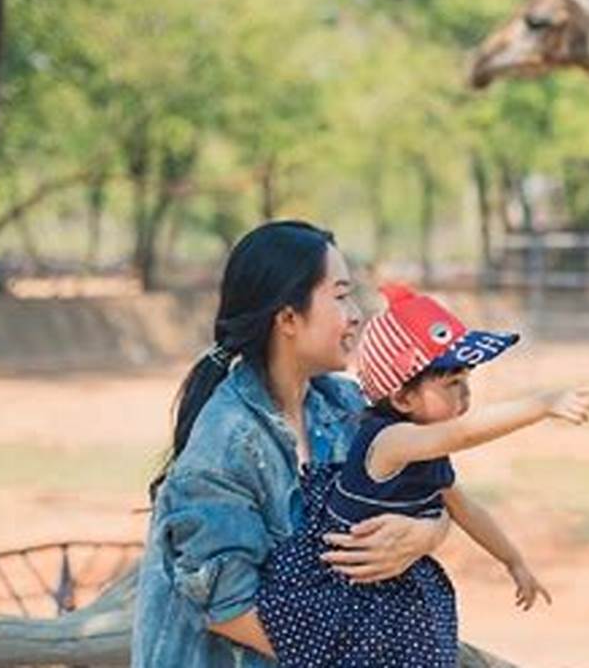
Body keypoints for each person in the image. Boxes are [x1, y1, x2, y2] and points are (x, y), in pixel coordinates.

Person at [132, 221, 450, 667]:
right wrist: (368, 655)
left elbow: (429, 496)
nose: (357, 314)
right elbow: (231, 611)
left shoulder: (344, 407)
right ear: (287, 319)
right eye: (340, 296)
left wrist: (423, 535)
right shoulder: (227, 443)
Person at [255, 282, 589, 667]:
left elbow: (465, 509)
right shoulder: (391, 440)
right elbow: (463, 433)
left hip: (390, 592)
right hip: (344, 601)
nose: (465, 396)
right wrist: (542, 404)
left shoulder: (426, 450)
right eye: (452, 384)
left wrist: (513, 560)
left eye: (466, 381)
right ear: (402, 398)